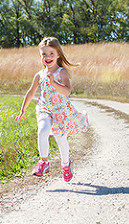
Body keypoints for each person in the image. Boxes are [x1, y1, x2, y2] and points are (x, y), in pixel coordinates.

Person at [15, 37, 88, 182]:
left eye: (51, 54)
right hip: (44, 109)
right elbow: (31, 92)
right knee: (42, 131)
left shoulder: (62, 72)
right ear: (40, 56)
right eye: (44, 54)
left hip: (60, 110)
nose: (47, 57)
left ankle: (66, 165)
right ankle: (43, 162)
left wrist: (54, 82)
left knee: (61, 140)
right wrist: (23, 109)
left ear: (58, 55)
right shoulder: (39, 75)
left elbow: (67, 92)